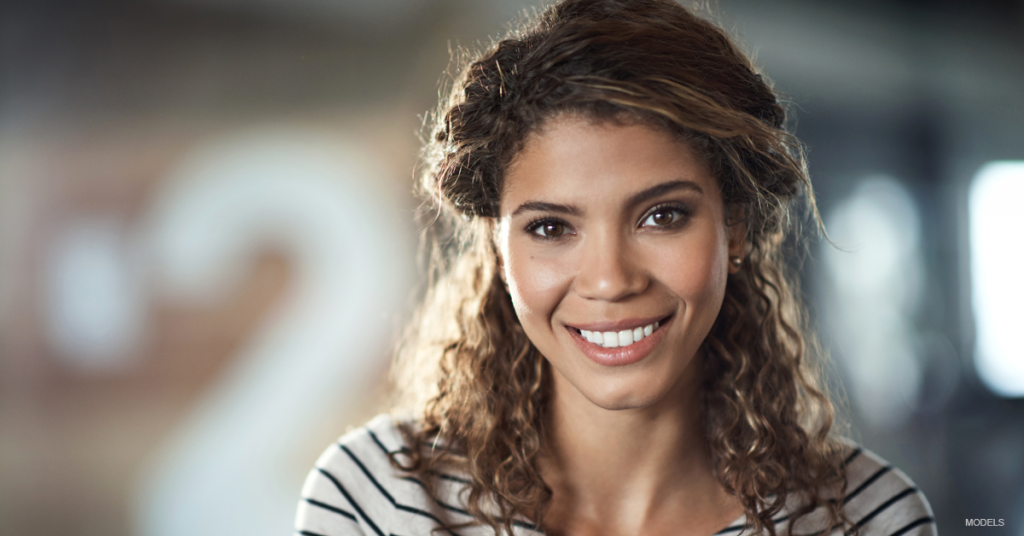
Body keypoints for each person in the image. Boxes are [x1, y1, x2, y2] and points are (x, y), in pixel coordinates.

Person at [295, 1, 937, 535]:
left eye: (661, 217)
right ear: (497, 246)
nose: (609, 279)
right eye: (551, 228)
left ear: (735, 225)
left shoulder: (868, 518)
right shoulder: (373, 500)